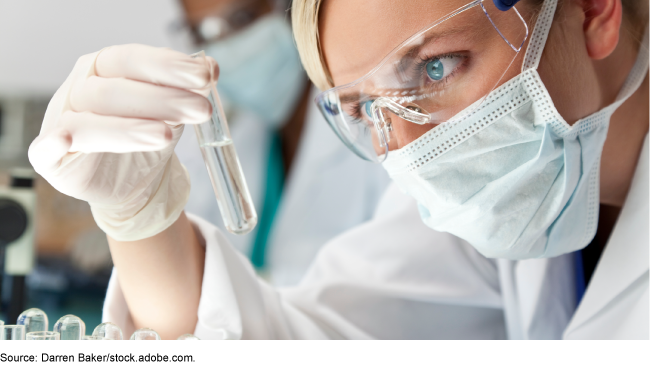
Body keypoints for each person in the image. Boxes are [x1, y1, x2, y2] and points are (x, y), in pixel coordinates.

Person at [28, 0, 647, 339]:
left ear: (593, 11)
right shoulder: (490, 192)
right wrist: (142, 217)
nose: (405, 148)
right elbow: (306, 344)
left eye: (435, 68)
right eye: (365, 108)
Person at [174, 0, 391, 285]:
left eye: (242, 19)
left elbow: (393, 284)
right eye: (202, 34)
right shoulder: (232, 133)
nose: (227, 48)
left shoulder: (377, 121)